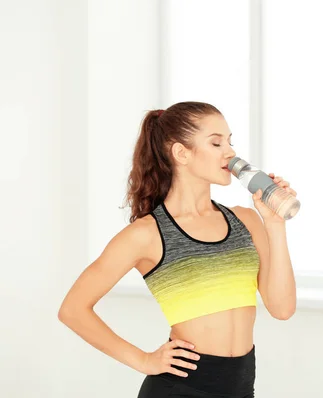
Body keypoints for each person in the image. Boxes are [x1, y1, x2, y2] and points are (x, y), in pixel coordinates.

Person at [58, 101, 297, 398]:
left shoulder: (245, 220)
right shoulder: (146, 234)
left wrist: (274, 224)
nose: (230, 152)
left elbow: (282, 308)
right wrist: (143, 360)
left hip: (241, 386)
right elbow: (72, 310)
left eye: (230, 141)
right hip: (180, 388)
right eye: (216, 142)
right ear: (181, 153)